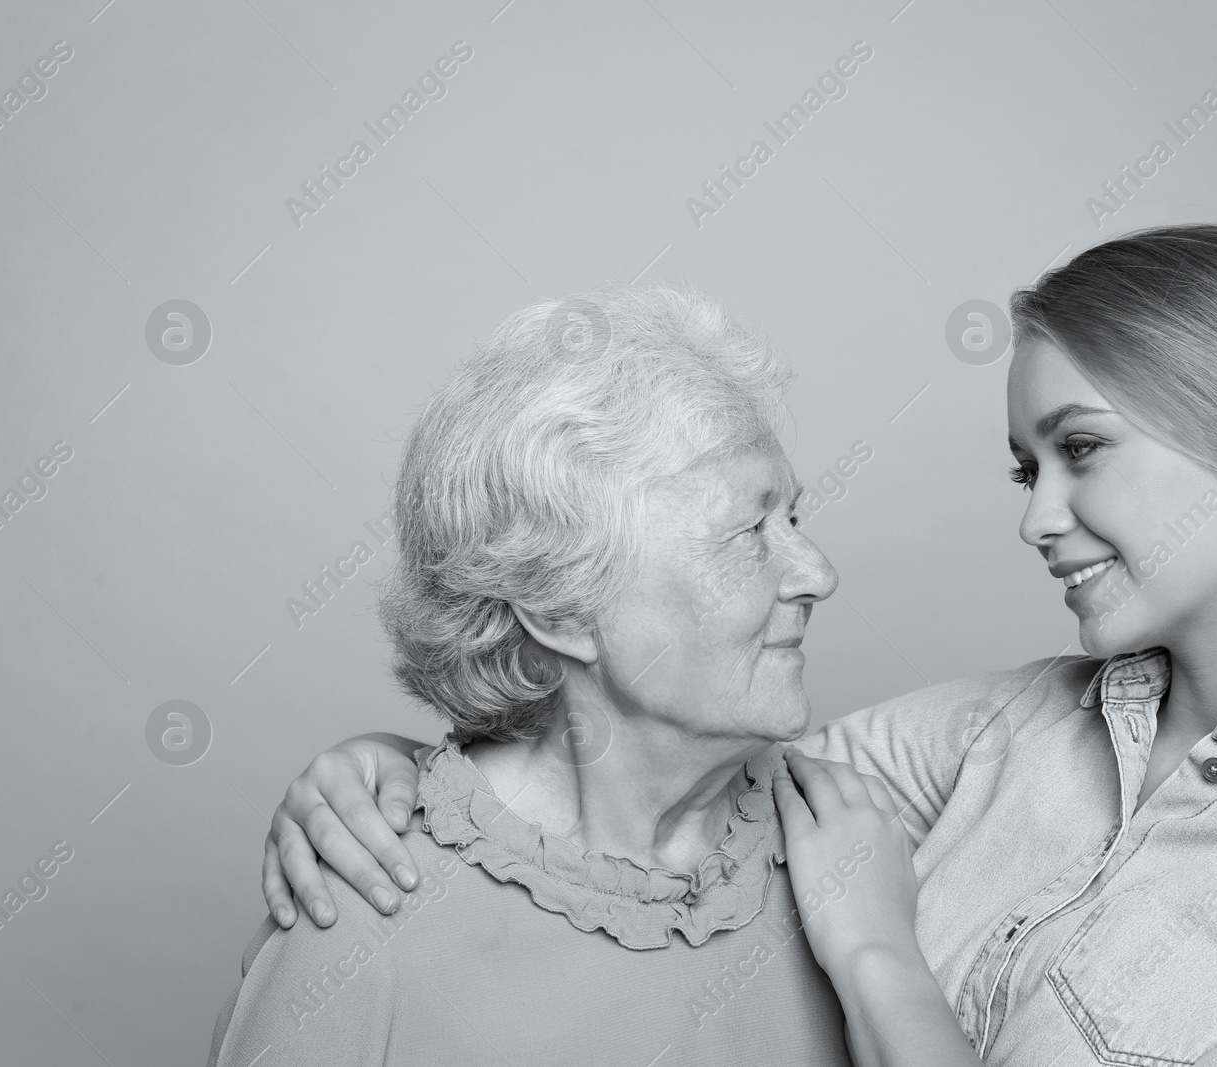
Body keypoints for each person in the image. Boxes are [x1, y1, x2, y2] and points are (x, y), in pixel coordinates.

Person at [257, 226, 1217, 1065]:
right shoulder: (997, 734)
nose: (1037, 518)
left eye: (1082, 452)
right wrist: (407, 772)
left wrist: (878, 950)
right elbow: (654, 767)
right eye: (1023, 466)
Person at [208, 288, 858, 1066]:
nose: (818, 573)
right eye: (750, 531)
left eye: (794, 517)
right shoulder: (364, 915)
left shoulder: (852, 843)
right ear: (564, 610)